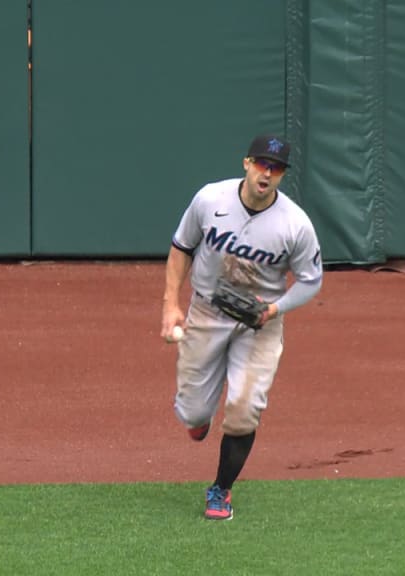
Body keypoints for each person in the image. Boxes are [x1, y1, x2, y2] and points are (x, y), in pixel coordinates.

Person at [161, 134, 324, 520]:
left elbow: (311, 280)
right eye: (262, 164)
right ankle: (196, 417)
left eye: (277, 168)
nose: (267, 173)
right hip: (205, 313)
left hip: (258, 325)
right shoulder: (210, 200)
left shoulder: (295, 225)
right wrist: (170, 304)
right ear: (247, 163)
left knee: (244, 408)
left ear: (282, 175)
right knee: (194, 414)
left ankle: (221, 490)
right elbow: (182, 247)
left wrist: (275, 308)